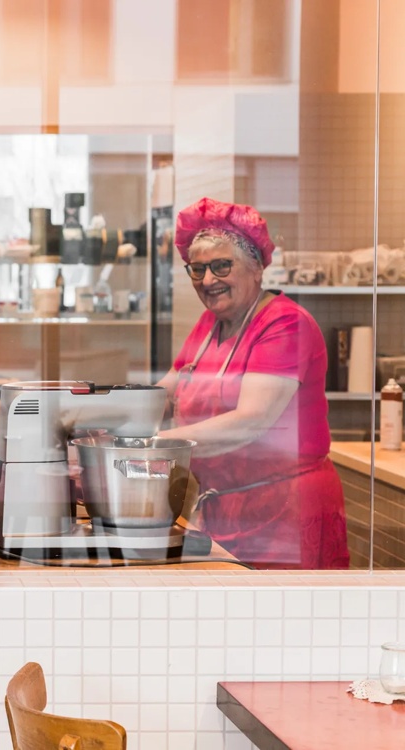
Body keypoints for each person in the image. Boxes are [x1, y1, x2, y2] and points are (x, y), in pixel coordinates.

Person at [157, 197, 349, 570]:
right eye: (197, 270)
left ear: (256, 267)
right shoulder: (210, 325)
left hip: (284, 512)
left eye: (221, 266)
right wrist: (96, 415)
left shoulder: (284, 324)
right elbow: (164, 392)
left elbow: (252, 421)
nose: (208, 280)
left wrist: (151, 445)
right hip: (226, 509)